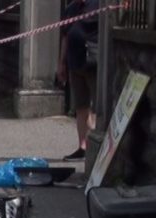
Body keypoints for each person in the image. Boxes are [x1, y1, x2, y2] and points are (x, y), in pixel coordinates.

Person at [57, 0, 99, 161]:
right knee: (81, 107)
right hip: (75, 64)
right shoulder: (71, 8)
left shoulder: (99, 5)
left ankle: (94, 147)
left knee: (96, 108)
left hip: (93, 62)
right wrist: (61, 63)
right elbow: (65, 37)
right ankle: (82, 147)